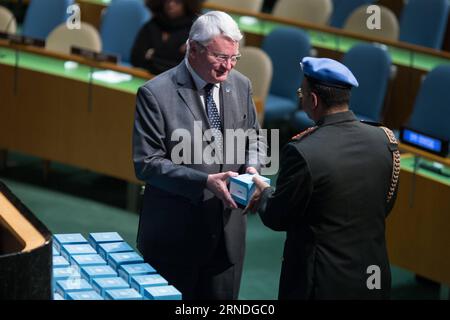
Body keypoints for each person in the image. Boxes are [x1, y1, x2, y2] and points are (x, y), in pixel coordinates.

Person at [133, 11, 265, 299]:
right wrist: (204, 181)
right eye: (220, 57)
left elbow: (255, 136)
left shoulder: (240, 84)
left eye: (234, 58)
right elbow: (147, 164)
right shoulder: (155, 94)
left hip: (228, 236)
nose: (228, 67)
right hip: (175, 238)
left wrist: (253, 168)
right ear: (193, 49)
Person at [246, 57, 400, 299]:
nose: (300, 98)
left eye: (302, 93)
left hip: (322, 281)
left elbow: (278, 217)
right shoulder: (385, 139)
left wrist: (264, 191)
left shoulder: (303, 150)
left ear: (314, 100)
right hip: (373, 274)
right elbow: (386, 203)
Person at [130, 0, 202, 75]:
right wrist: (173, 54)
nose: (171, 4)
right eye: (167, 0)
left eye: (177, 1)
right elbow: (136, 59)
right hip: (145, 77)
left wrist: (152, 55)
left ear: (187, 4)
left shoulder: (195, 30)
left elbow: (187, 68)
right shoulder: (152, 25)